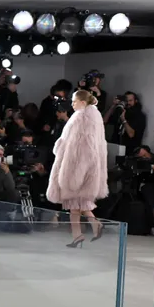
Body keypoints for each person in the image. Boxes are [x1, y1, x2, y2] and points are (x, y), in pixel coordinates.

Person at [47, 89, 108, 247]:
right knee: (77, 206)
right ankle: (82, 234)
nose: (72, 104)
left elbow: (82, 149)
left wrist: (75, 173)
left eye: (74, 101)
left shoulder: (81, 117)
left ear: (82, 102)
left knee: (76, 204)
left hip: (76, 169)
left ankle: (87, 230)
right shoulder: (93, 116)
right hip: (84, 168)